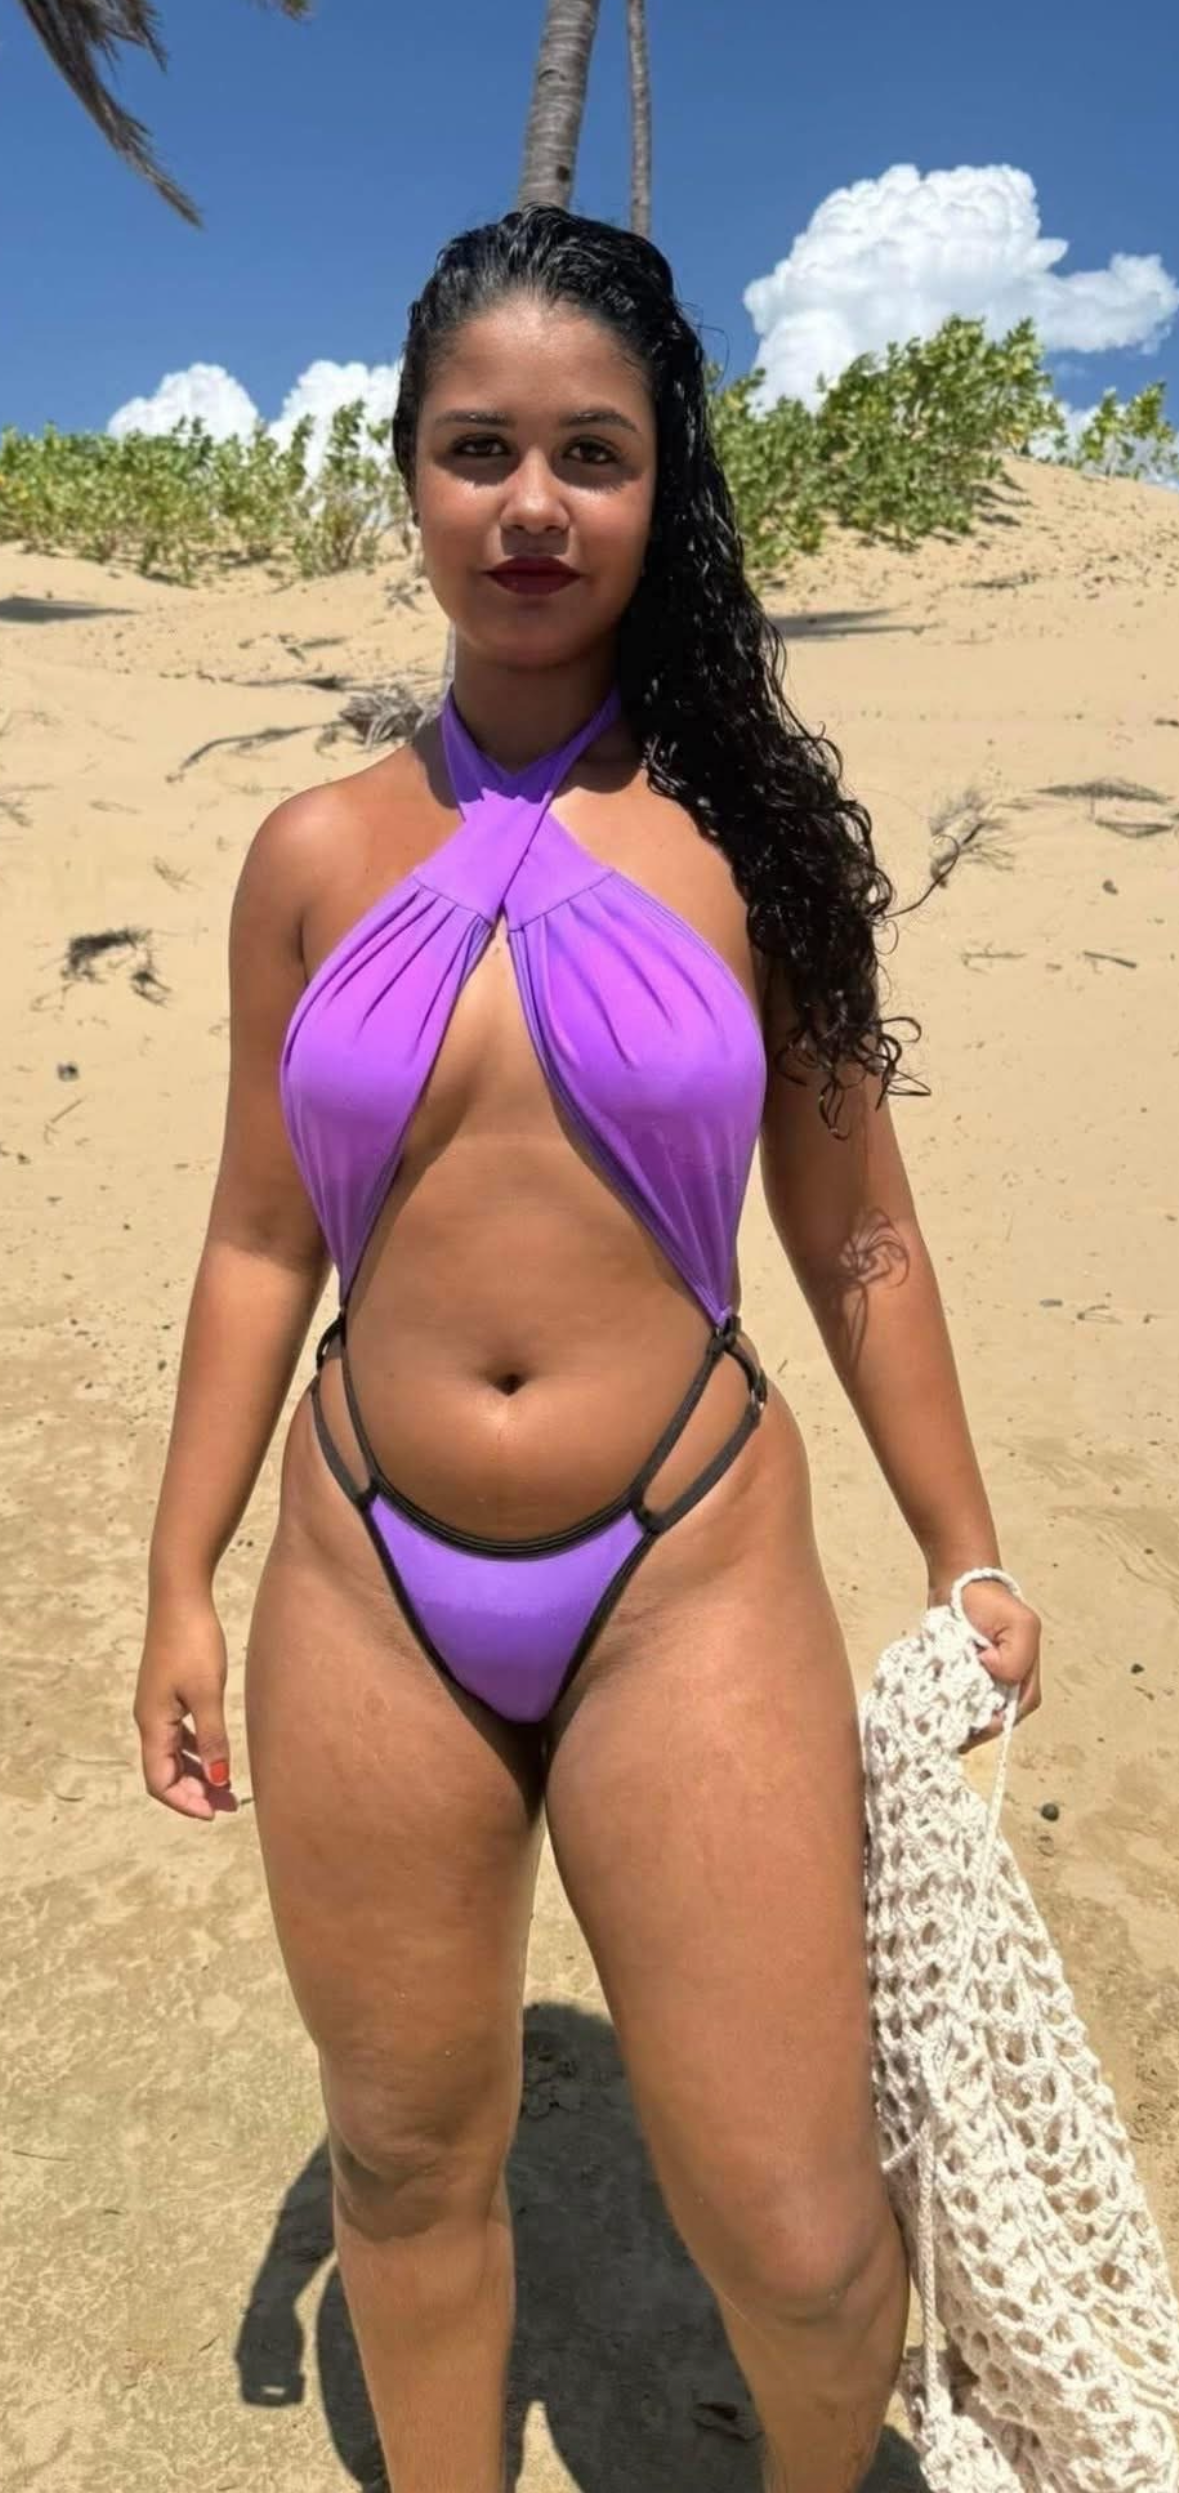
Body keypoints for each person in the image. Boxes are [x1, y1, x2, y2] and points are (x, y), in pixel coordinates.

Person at [134, 206, 1043, 2493]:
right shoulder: (309, 856)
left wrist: (965, 1544)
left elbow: (856, 1235)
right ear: (409, 474)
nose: (529, 506)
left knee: (805, 2241)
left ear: (661, 485)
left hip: (685, 1566)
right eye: (478, 450)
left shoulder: (750, 849)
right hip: (366, 1569)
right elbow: (255, 1238)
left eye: (590, 455)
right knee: (404, 2164)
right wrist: (179, 1575)